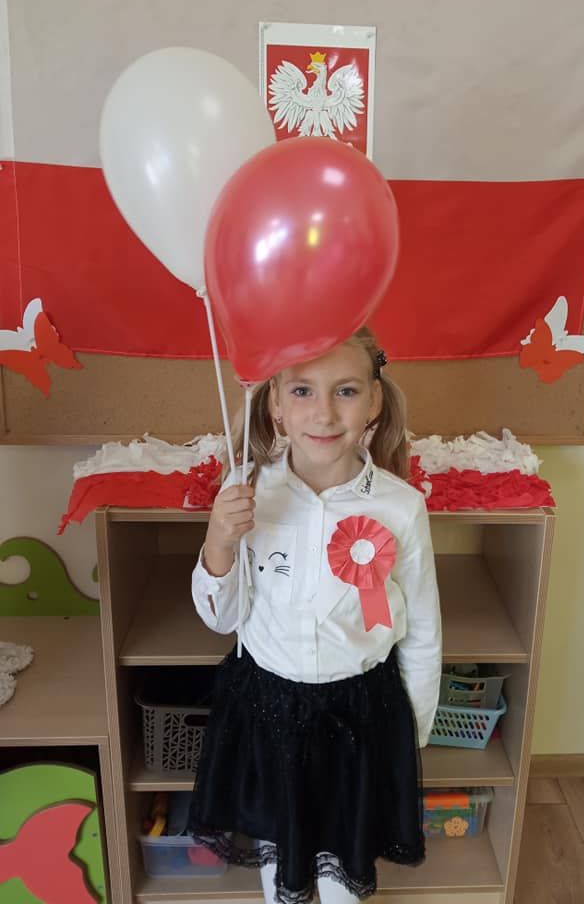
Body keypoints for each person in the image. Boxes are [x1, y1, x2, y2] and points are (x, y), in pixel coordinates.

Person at [189, 326, 442, 904]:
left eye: (346, 390)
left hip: (361, 717)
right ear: (275, 403)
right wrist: (219, 542)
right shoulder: (246, 490)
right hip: (269, 712)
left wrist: (413, 733)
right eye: (302, 390)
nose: (324, 413)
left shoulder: (402, 507)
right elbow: (223, 619)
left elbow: (423, 629)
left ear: (374, 401)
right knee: (282, 867)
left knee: (342, 876)